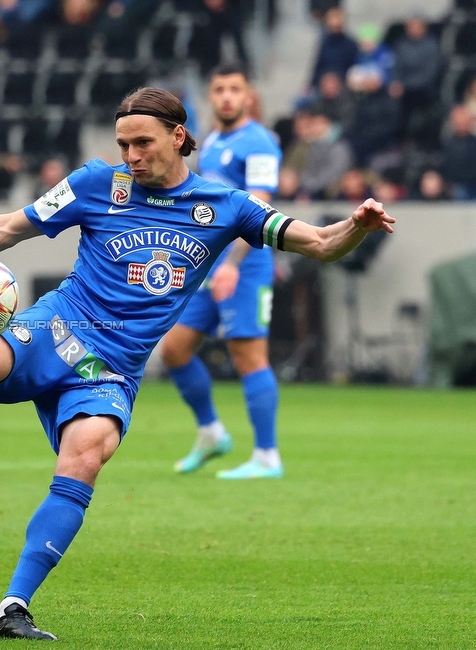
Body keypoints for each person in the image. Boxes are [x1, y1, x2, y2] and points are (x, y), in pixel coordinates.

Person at [0, 87, 395, 641]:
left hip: (113, 369)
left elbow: (317, 242)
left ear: (178, 137)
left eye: (143, 144)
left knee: (87, 454)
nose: (132, 157)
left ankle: (13, 608)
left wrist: (358, 224)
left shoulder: (226, 208)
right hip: (56, 326)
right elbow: (9, 227)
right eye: (123, 145)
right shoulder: (96, 183)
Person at [158, 62, 286, 479]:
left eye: (235, 88)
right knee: (174, 349)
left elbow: (260, 209)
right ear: (210, 97)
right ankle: (211, 431)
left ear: (249, 95)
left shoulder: (260, 143)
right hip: (207, 268)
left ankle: (267, 455)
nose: (227, 96)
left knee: (248, 356)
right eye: (219, 89)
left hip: (245, 265)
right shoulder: (210, 142)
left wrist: (232, 263)